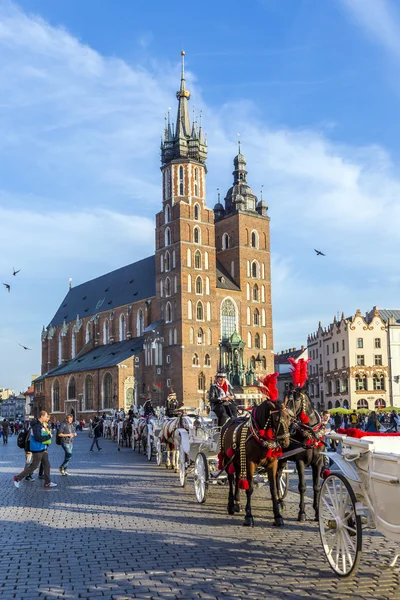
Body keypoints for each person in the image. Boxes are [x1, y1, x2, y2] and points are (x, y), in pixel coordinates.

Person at [13, 411, 57, 488]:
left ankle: (47, 482)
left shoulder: (39, 424)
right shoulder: (36, 425)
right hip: (37, 449)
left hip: (42, 448)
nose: (47, 417)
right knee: (33, 466)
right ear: (42, 416)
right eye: (46, 416)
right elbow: (38, 438)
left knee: (47, 465)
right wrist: (49, 436)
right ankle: (17, 478)